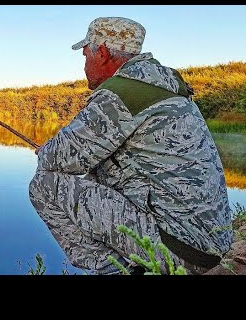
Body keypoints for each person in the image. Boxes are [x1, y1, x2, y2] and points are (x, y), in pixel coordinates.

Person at [29, 17, 233, 275]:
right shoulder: (164, 85)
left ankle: (114, 271)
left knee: (44, 185)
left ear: (101, 53)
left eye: (85, 56)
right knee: (98, 173)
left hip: (183, 251)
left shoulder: (122, 93)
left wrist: (47, 150)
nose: (84, 66)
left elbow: (54, 161)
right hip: (211, 242)